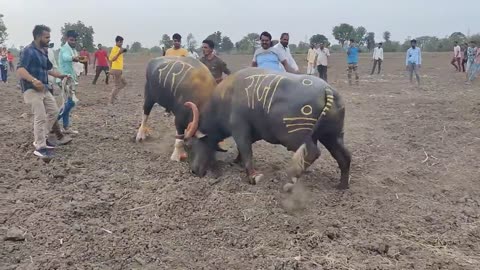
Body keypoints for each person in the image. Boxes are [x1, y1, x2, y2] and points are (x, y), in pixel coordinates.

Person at [16, 25, 70, 160]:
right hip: (31, 88)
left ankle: (41, 138)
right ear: (38, 36)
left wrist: (60, 76)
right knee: (40, 116)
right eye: (46, 37)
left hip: (44, 88)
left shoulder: (43, 51)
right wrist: (34, 80)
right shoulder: (28, 51)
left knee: (54, 112)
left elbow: (47, 69)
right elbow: (20, 70)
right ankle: (40, 147)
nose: (48, 40)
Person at [58, 30, 81, 134]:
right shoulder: (65, 49)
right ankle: (53, 122)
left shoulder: (73, 49)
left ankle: (66, 127)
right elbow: (65, 57)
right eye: (71, 40)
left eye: (75, 40)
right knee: (70, 102)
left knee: (68, 103)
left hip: (70, 79)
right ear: (67, 39)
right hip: (64, 79)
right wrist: (73, 58)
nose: (73, 41)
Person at [108, 35, 127, 105]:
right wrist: (119, 53)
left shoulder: (118, 48)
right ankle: (111, 101)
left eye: (122, 42)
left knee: (124, 83)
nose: (121, 44)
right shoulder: (115, 49)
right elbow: (112, 59)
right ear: (117, 42)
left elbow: (111, 59)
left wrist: (121, 51)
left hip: (118, 69)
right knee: (117, 85)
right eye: (121, 42)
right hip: (116, 70)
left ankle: (114, 95)